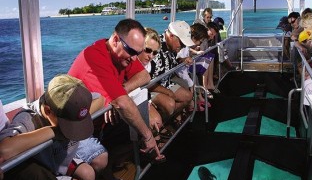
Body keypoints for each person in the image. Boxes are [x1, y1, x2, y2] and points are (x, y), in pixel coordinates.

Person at [0, 75, 104, 180]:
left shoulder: (76, 104)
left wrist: (74, 121)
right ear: (48, 111)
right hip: (44, 167)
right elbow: (4, 149)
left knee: (88, 174)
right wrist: (55, 131)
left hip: (58, 161)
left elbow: (100, 100)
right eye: (69, 124)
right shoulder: (27, 119)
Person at [68, 19, 165, 165]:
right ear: (115, 40)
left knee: (146, 123)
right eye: (132, 52)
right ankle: (107, 173)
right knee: (140, 133)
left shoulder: (122, 56)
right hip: (78, 129)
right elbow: (121, 103)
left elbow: (144, 76)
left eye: (137, 53)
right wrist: (148, 136)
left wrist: (120, 90)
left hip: (101, 123)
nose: (134, 58)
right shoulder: (94, 56)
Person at [149, 21, 193, 126]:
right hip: (151, 88)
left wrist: (181, 60)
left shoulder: (172, 47)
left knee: (188, 96)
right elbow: (147, 81)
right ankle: (159, 126)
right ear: (171, 36)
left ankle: (164, 122)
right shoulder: (154, 47)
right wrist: (167, 92)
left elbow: (169, 63)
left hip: (166, 83)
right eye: (181, 43)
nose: (182, 46)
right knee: (169, 104)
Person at [176, 23, 209, 111]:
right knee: (190, 82)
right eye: (200, 41)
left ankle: (196, 100)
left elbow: (187, 49)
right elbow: (178, 62)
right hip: (178, 72)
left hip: (183, 70)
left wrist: (195, 52)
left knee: (193, 78)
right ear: (194, 38)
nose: (200, 43)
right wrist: (184, 60)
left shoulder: (186, 45)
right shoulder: (181, 45)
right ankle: (192, 105)